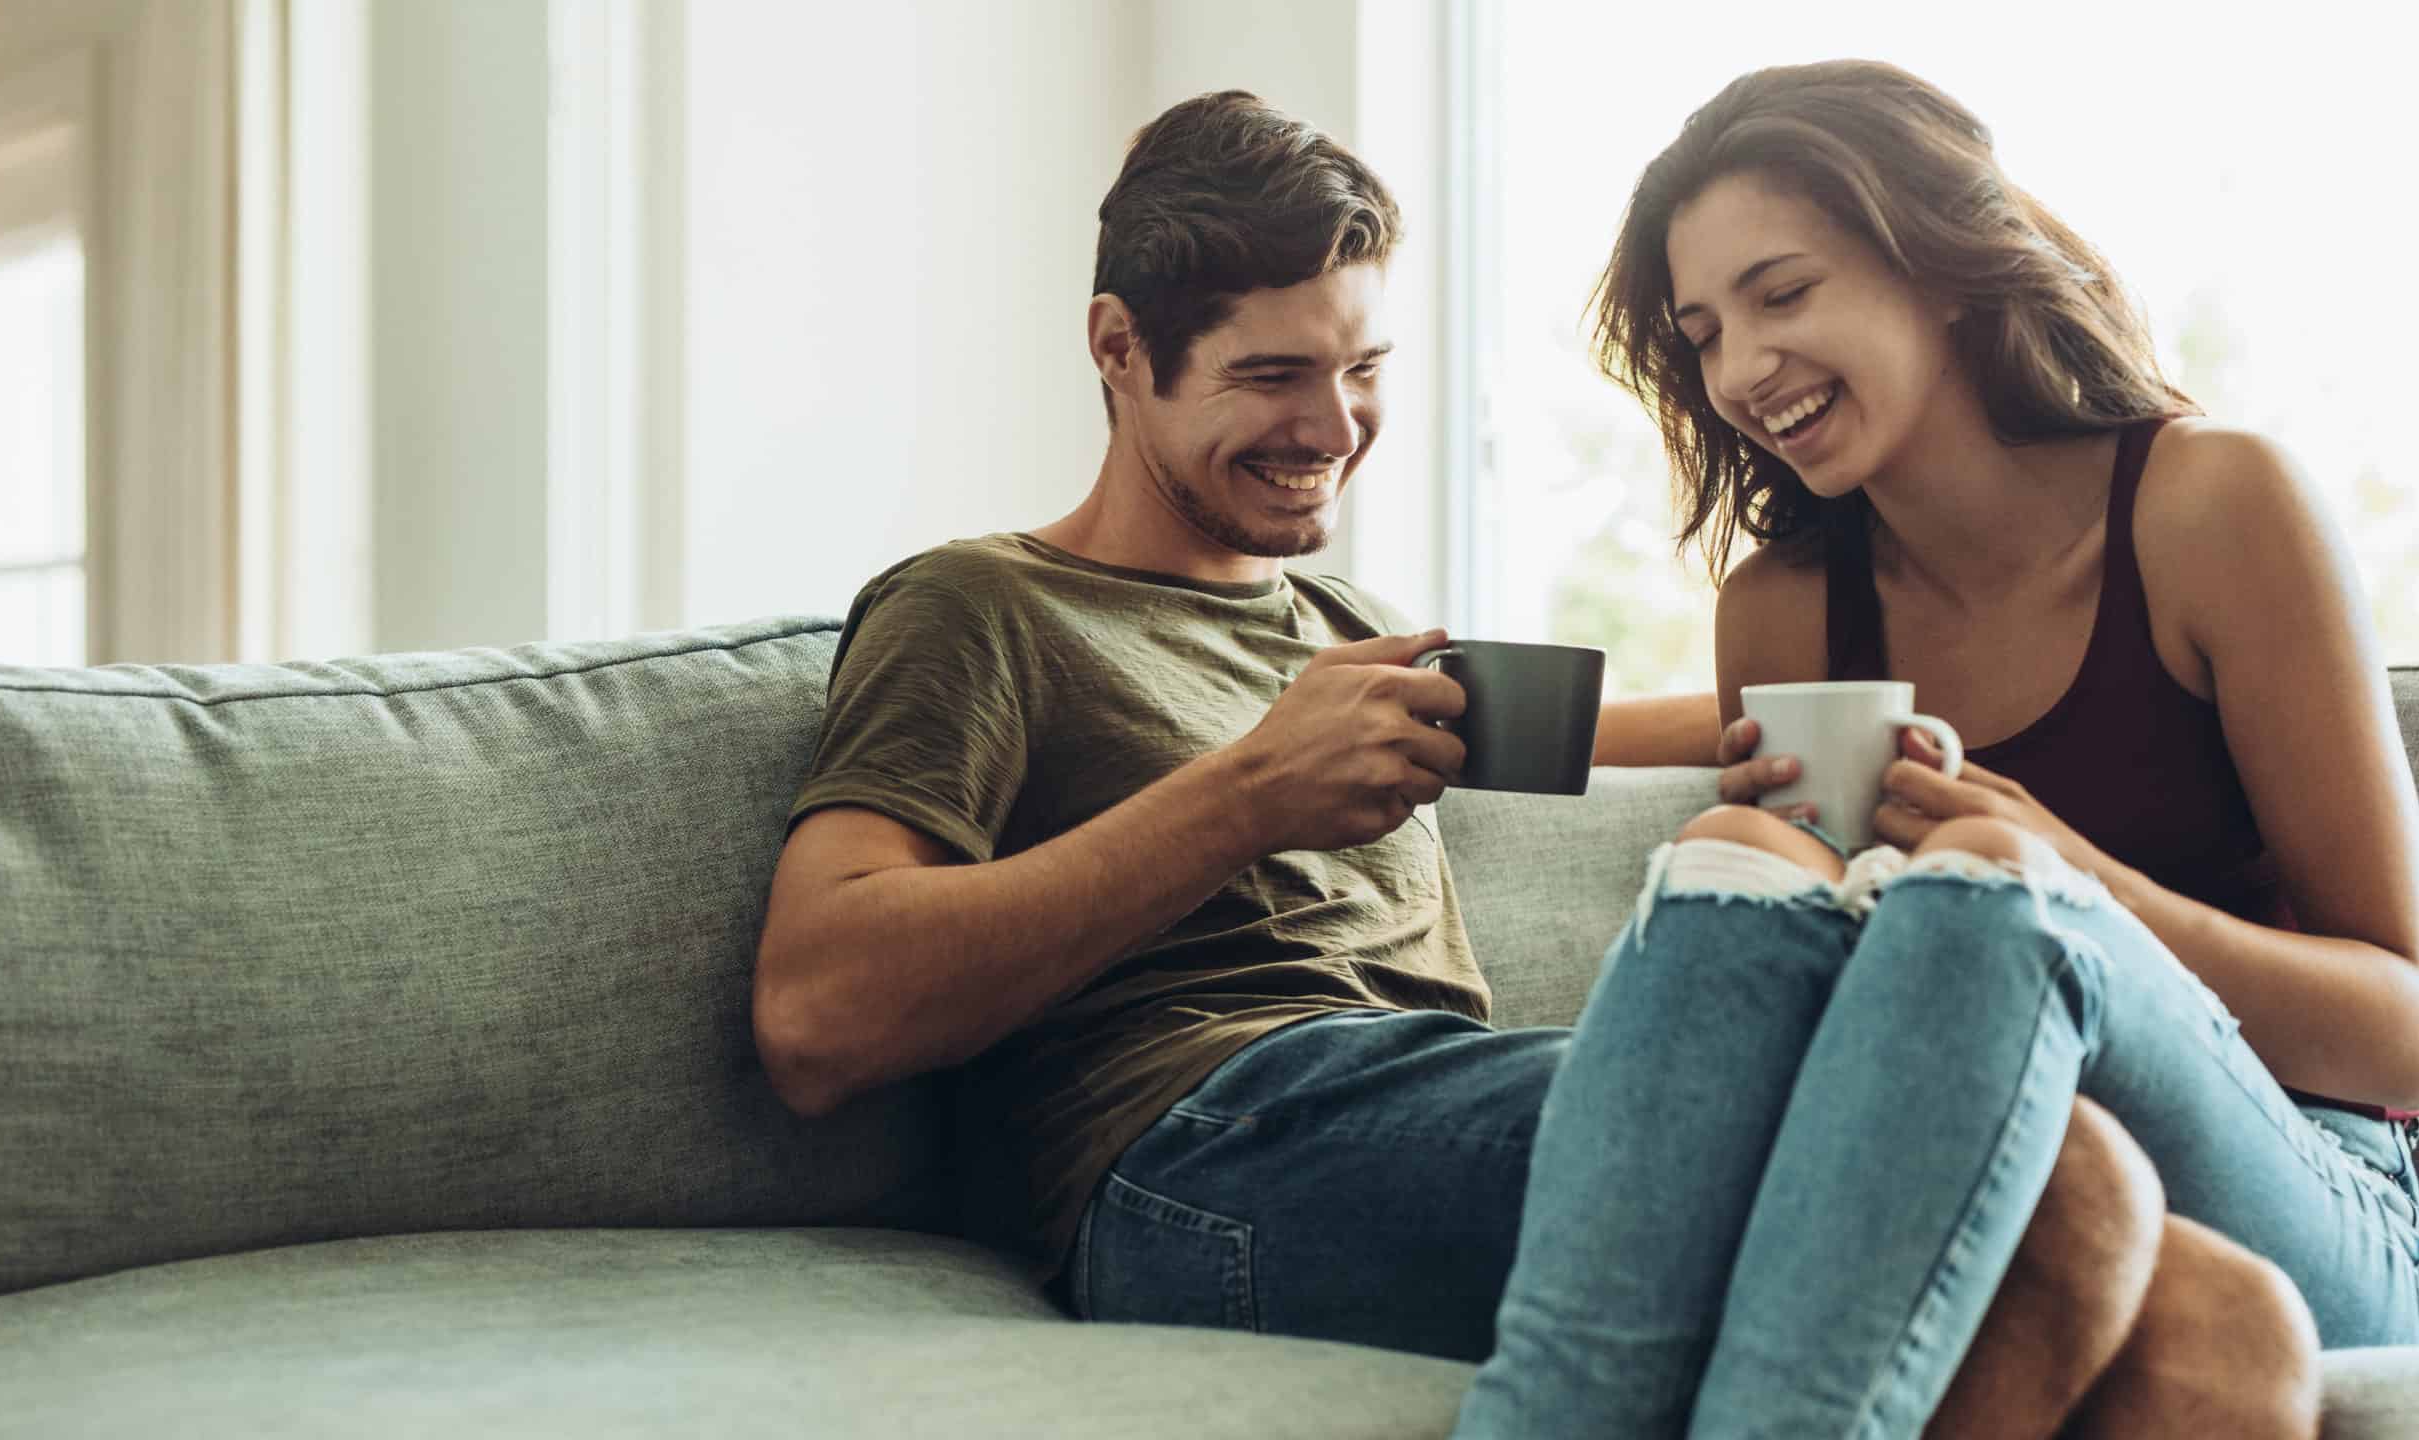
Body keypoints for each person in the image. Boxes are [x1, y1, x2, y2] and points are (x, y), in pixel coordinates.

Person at [755, 89, 2249, 1437]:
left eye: (1364, 368)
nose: (1333, 428)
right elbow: (819, 1012)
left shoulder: (1356, 633)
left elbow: (1642, 728)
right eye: (1274, 375)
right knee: (2060, 1183)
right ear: (1118, 350)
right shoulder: (981, 607)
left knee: (2200, 1309)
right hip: (1209, 1149)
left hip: (1450, 1096)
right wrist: (1251, 794)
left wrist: (1935, 726)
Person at [1452, 59, 2419, 1438]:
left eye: (1783, 294)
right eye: (1700, 332)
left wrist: (2074, 882)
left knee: (1990, 878)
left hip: (2312, 1178)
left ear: (1944, 265)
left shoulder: (2211, 507)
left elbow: (2406, 1041)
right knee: (1740, 856)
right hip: (2013, 1173)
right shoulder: (1788, 611)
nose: (1741, 370)